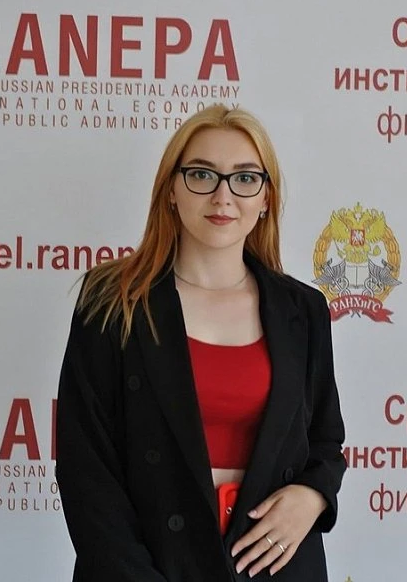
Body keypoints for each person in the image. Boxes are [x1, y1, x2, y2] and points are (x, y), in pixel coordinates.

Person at [56, 104, 346, 582]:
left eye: (245, 178)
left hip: (274, 567)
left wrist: (313, 496)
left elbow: (325, 439)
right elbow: (86, 470)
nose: (222, 196)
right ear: (171, 189)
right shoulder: (113, 301)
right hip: (147, 565)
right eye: (202, 174)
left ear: (266, 197)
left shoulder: (304, 310)